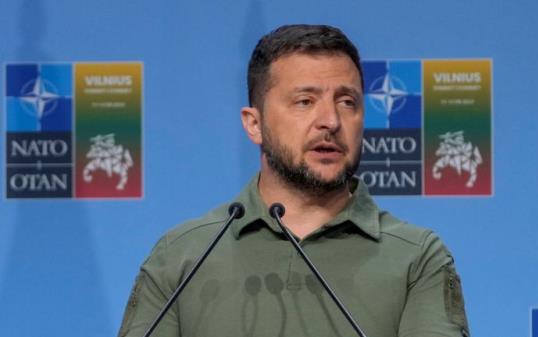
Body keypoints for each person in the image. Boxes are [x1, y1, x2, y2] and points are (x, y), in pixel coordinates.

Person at [118, 24, 469, 337]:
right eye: (305, 101)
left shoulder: (416, 257)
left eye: (347, 102)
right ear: (254, 124)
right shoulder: (182, 255)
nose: (330, 120)